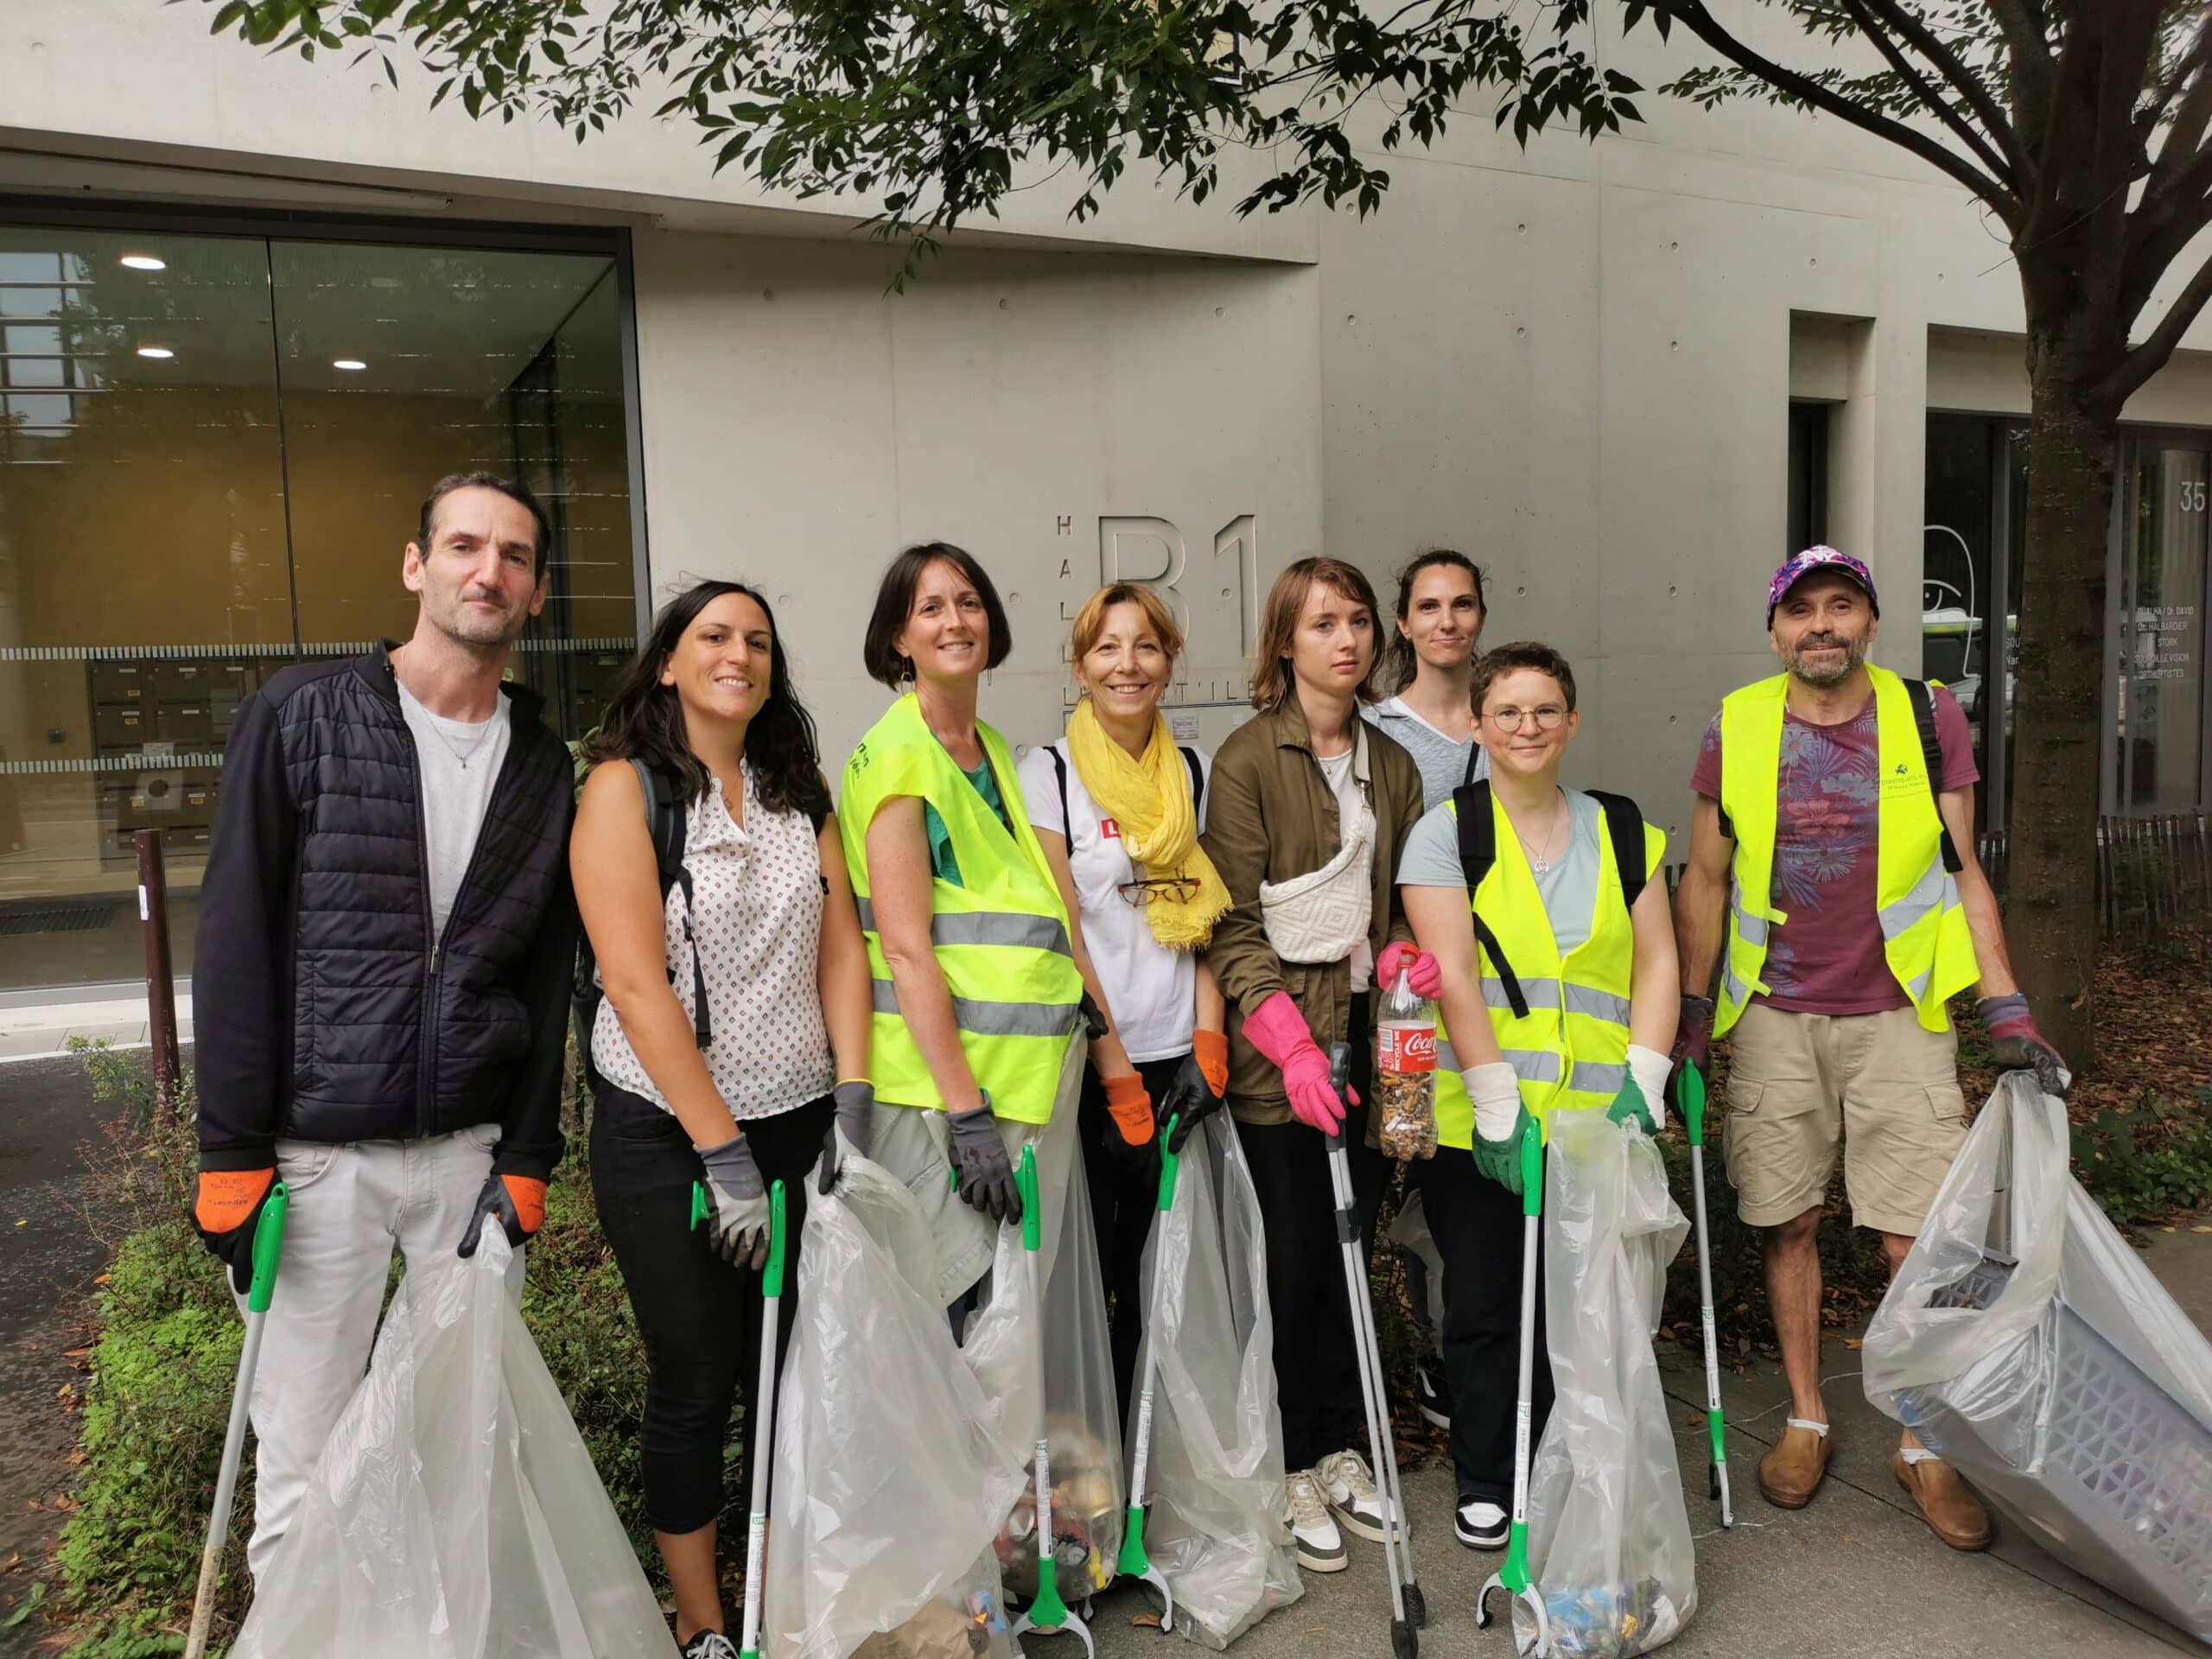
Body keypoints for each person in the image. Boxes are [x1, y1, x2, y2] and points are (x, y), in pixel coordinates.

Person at [190, 472, 580, 1580]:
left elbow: (546, 973)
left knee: (462, 1454)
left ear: (538, 592)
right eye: (463, 545)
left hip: (467, 1162)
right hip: (318, 1166)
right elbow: (234, 940)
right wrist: (230, 1150)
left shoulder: (546, 766)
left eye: (512, 556)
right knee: (306, 1461)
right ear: (417, 566)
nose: (486, 570)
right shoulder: (300, 715)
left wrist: (532, 1152)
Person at [1671, 546, 2069, 1552]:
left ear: (1869, 622)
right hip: (1773, 1011)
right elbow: (1707, 881)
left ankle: (1919, 1437)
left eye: (1840, 606)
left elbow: (1962, 867)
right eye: (1800, 610)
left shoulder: (1926, 716)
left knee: (1913, 1242)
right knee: (1788, 1220)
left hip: (1899, 1013)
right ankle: (1806, 1415)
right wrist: (1688, 1012)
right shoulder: (1739, 722)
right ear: (1774, 631)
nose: (1821, 625)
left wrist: (2005, 1003)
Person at [572, 581, 872, 1659]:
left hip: (801, 1127)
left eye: (756, 640)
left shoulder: (799, 790)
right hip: (671, 1138)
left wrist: (852, 1095)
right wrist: (723, 1153)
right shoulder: (626, 790)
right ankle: (703, 1629)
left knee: (795, 1380)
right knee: (696, 1380)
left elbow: (844, 947)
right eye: (712, 637)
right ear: (667, 662)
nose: (737, 654)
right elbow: (635, 984)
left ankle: (786, 1600)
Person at [1402, 640, 1677, 1551]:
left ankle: (1566, 1462)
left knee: (1583, 1301)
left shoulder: (1622, 829)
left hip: (1596, 1121)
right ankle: (1487, 1474)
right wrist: (1491, 1101)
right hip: (1482, 1124)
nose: (1528, 727)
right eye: (1508, 712)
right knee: (1485, 1301)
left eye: (1545, 710)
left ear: (1572, 721)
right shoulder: (1448, 832)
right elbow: (1448, 974)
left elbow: (1657, 962)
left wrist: (1645, 1078)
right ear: (1476, 726)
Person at [1201, 556, 1429, 1574]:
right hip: (1279, 1064)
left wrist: (1396, 955)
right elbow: (1234, 925)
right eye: (1322, 623)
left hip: (1372, 1050)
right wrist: (1286, 1040)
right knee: (1292, 1263)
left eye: (1358, 622)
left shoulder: (1394, 767)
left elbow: (1391, 912)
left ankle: (1342, 1449)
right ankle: (1291, 1463)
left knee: (1348, 1258)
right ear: (1284, 642)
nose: (1346, 639)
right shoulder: (1247, 760)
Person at [839, 543, 1087, 1308]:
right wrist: (966, 1114)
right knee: (944, 1318)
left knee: (993, 1329)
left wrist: (1070, 989)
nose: (957, 620)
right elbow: (909, 951)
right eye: (931, 607)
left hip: (1003, 1082)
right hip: (935, 1097)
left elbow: (1006, 901)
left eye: (970, 602)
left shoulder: (986, 749)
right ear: (898, 639)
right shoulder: (898, 759)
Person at [1020, 582, 1231, 1415]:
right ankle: (1090, 1465)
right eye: (1106, 647)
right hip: (1095, 1068)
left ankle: (1159, 1462)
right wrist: (1116, 1073)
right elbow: (1062, 928)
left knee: (1167, 1280)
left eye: (1145, 645)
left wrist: (1209, 1046)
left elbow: (1217, 915)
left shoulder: (1194, 771)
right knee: (1094, 1276)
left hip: (1182, 1060)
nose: (1127, 664)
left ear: (1169, 662)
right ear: (1080, 666)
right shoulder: (1051, 774)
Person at [1362, 547, 1491, 1429]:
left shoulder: (1509, 717)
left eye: (1462, 604)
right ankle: (1414, 1357)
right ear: (1403, 623)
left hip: (1495, 1001)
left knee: (1471, 1181)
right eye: (1428, 606)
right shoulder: (1378, 731)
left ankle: (1459, 1361)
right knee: (1406, 1164)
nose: (1446, 620)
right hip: (1406, 999)